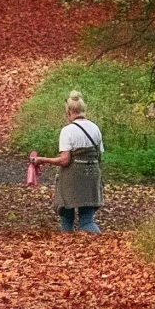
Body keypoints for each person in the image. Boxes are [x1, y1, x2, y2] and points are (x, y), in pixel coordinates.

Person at [30, 90, 104, 234]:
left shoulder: (68, 131)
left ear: (69, 111)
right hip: (92, 175)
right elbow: (99, 156)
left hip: (73, 178)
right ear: (83, 110)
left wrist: (41, 160)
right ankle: (99, 243)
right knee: (87, 220)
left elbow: (65, 160)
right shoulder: (95, 128)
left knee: (67, 217)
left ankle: (67, 245)